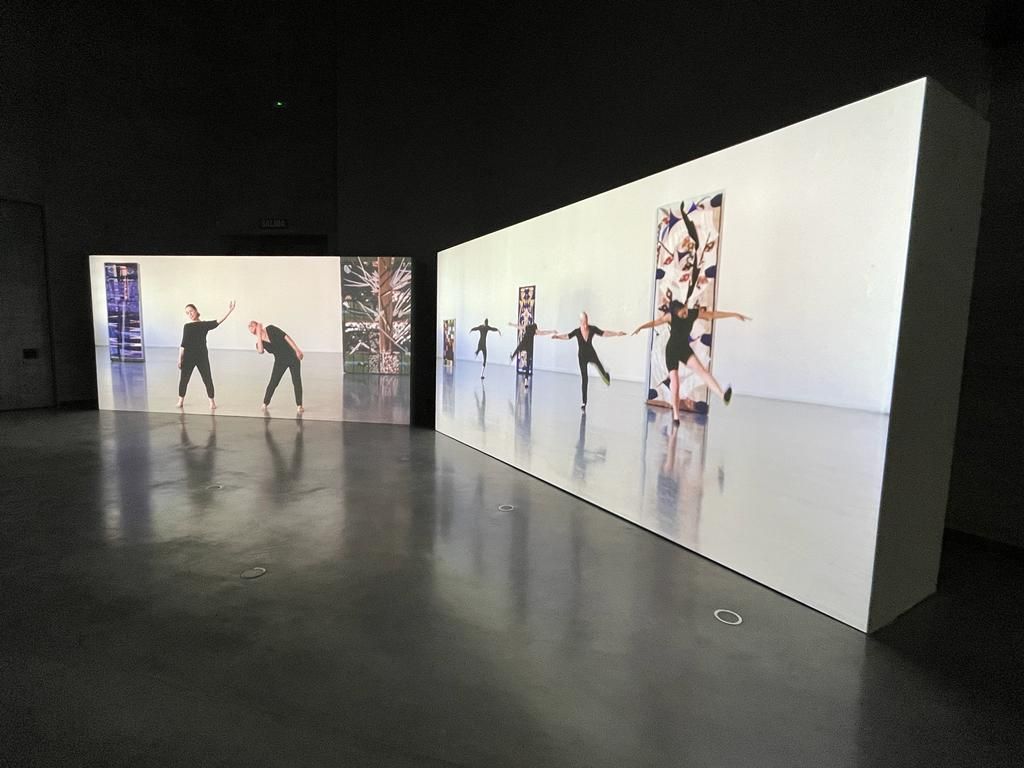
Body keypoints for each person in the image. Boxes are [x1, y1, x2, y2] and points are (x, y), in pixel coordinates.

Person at [633, 300, 750, 425]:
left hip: (684, 349)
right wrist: (641, 327)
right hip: (672, 351)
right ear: (675, 314)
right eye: (681, 314)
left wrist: (733, 314)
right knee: (675, 383)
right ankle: (676, 416)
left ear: (685, 307)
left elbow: (712, 314)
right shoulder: (670, 317)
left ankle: (722, 395)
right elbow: (655, 322)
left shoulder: (692, 313)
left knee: (702, 371)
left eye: (685, 311)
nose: (685, 315)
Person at [553, 312, 626, 409]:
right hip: (582, 357)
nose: (586, 322)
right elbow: (567, 336)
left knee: (600, 367)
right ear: (581, 321)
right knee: (585, 378)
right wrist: (558, 337)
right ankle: (584, 402)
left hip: (591, 353)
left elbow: (604, 333)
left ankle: (606, 376)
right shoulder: (577, 331)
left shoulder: (592, 328)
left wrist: (616, 333)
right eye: (584, 321)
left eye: (586, 320)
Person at [177, 300, 235, 410]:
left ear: (196, 311)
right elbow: (183, 344)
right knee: (184, 379)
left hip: (201, 356)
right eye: (187, 313)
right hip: (188, 357)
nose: (190, 314)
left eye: (191, 311)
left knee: (207, 378)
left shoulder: (204, 325)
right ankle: (180, 401)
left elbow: (217, 322)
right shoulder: (187, 326)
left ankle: (212, 402)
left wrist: (229, 310)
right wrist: (180, 359)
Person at [249, 321, 304, 415]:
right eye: (250, 328)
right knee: (273, 382)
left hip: (292, 356)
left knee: (296, 381)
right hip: (280, 361)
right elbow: (261, 351)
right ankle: (265, 403)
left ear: (258, 325)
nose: (251, 327)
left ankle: (299, 405)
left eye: (252, 325)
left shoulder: (271, 329)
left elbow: (286, 337)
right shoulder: (259, 343)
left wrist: (297, 350)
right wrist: (259, 335)